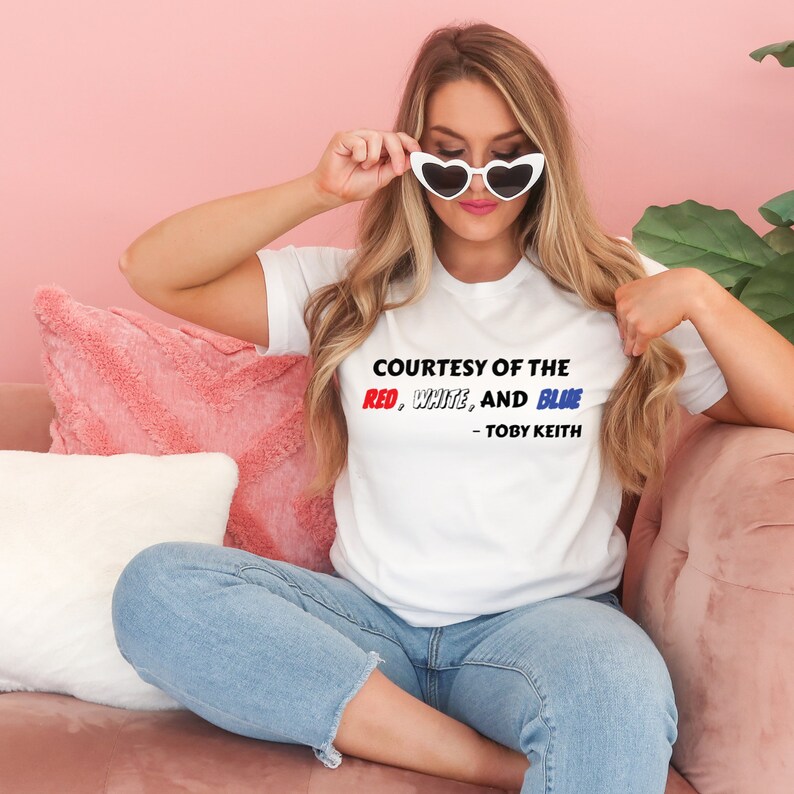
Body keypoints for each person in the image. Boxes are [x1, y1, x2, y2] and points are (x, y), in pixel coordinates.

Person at [110, 22, 732, 794]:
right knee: (158, 588)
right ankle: (496, 766)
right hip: (370, 627)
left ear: (545, 162)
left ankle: (443, 737)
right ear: (415, 157)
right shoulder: (352, 288)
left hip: (544, 628)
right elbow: (153, 270)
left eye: (507, 158)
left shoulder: (615, 287)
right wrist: (317, 189)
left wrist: (704, 296)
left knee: (618, 692)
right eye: (449, 155)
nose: (477, 182)